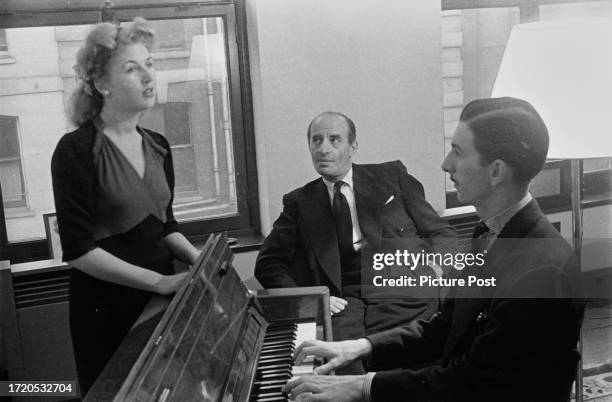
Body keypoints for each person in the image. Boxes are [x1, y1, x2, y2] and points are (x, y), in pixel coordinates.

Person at [284, 98, 584, 401]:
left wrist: (361, 386)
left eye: (458, 152)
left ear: (496, 172)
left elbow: (473, 381)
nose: (445, 164)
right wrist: (362, 346)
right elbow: (446, 327)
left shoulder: (542, 271)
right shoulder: (490, 233)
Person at [50, 18, 201, 395]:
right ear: (101, 84)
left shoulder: (159, 145)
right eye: (132, 69)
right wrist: (161, 282)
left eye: (150, 64)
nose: (149, 77)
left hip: (161, 303)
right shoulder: (75, 151)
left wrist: (202, 263)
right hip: (106, 310)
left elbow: (165, 225)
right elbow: (79, 250)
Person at [255, 111, 456, 373]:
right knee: (342, 368)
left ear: (353, 147)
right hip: (346, 302)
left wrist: (431, 273)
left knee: (407, 361)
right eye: (316, 141)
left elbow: (442, 233)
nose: (323, 149)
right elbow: (267, 265)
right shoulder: (299, 202)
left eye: (334, 140)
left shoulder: (390, 176)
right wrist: (314, 300)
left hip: (403, 288)